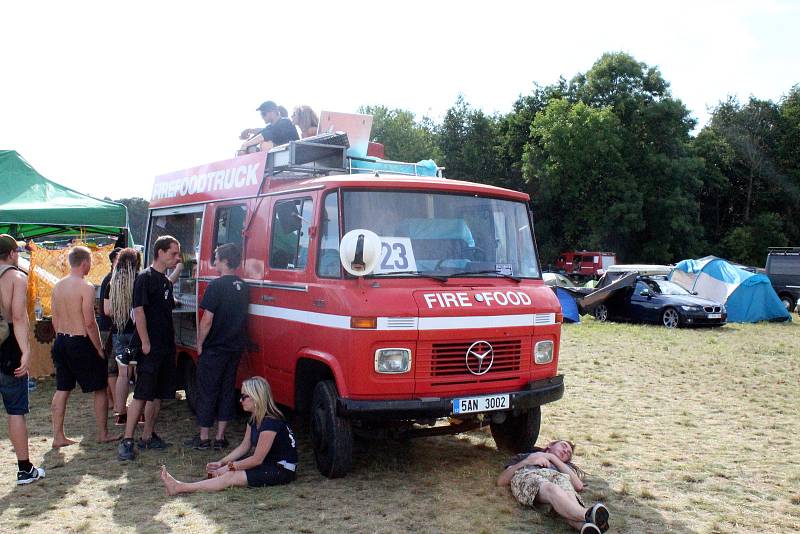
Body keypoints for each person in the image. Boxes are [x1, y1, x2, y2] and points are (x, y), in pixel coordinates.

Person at [161, 376, 297, 495]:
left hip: (282, 470)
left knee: (230, 476)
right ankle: (181, 486)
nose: (240, 400)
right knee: (227, 472)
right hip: (270, 464)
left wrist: (229, 467)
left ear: (256, 397)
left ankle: (180, 487)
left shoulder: (270, 422)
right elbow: (244, 447)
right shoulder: (255, 418)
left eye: (244, 396)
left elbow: (257, 459)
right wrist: (222, 462)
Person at [117, 236, 181, 460]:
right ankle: (126, 441)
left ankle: (148, 435)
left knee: (158, 395)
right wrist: (144, 342)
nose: (177, 258)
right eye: (173, 253)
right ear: (160, 252)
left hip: (165, 346)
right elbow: (139, 311)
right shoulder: (144, 278)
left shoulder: (164, 280)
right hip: (150, 347)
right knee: (142, 394)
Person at [184, 243, 249, 450]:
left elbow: (207, 320)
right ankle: (221, 437)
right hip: (235, 347)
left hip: (215, 348)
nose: (215, 260)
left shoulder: (216, 286)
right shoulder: (243, 286)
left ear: (226, 261)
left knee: (207, 391)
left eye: (217, 257)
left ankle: (203, 438)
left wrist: (199, 343)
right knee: (227, 390)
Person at [50, 246, 117, 447]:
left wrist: (61, 336)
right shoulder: (86, 287)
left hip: (61, 339)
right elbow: (89, 322)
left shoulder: (57, 286)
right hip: (80, 341)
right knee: (100, 388)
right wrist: (98, 347)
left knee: (62, 388)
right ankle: (103, 433)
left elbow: (55, 318)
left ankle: (57, 436)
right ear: (85, 263)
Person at [0, 234, 45, 484]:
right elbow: (18, 317)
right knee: (15, 410)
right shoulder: (16, 277)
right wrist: (26, 350)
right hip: (8, 349)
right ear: (12, 254)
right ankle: (24, 468)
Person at [497, 440, 610, 533]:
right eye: (563, 446)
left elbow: (578, 486)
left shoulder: (563, 467)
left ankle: (584, 527)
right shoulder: (525, 456)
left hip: (557, 484)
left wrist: (552, 457)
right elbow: (501, 481)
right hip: (531, 476)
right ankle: (587, 515)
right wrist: (528, 461)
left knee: (565, 487)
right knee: (552, 488)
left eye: (568, 454)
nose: (565, 451)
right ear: (550, 444)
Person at [106, 248, 141, 425]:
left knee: (123, 374)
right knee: (139, 372)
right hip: (136, 332)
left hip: (119, 331)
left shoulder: (112, 282)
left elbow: (108, 311)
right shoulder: (139, 280)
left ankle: (120, 412)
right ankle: (139, 411)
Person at [99, 247, 121, 409]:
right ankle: (114, 402)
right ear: (114, 261)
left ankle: (112, 401)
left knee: (109, 366)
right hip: (109, 328)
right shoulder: (111, 280)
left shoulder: (110, 278)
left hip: (107, 327)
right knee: (111, 367)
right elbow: (109, 310)